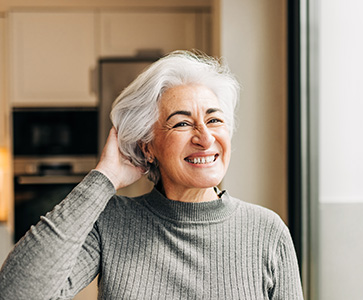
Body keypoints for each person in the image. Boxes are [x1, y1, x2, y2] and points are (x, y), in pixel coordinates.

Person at [0, 50, 303, 299]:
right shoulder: (113, 222)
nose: (205, 137)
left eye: (214, 119)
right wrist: (103, 178)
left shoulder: (267, 231)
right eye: (182, 124)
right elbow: (16, 293)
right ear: (149, 148)